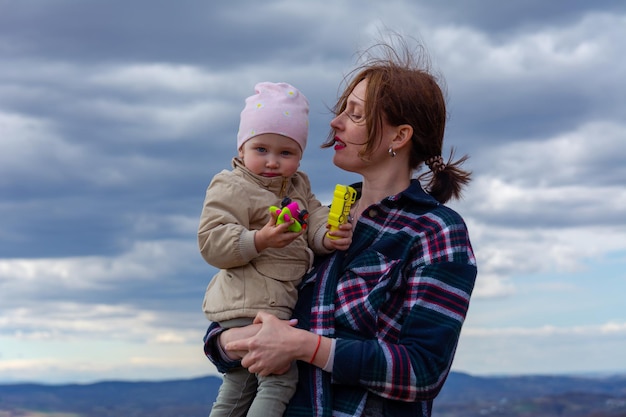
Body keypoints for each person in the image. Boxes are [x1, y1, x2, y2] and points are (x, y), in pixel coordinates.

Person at [204, 38, 477, 417]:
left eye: (355, 114)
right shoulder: (315, 218)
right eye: (341, 110)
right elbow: (245, 307)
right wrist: (228, 340)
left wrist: (303, 346)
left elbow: (423, 371)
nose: (335, 123)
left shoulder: (435, 232)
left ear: (399, 137)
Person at [198, 81, 353, 417]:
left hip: (274, 303)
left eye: (286, 153)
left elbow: (315, 220)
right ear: (242, 149)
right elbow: (211, 241)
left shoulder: (299, 186)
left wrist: (329, 237)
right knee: (279, 379)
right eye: (261, 149)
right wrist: (260, 239)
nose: (272, 161)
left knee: (240, 385)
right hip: (246, 303)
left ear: (299, 155)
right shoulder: (232, 185)